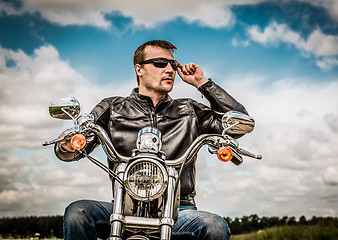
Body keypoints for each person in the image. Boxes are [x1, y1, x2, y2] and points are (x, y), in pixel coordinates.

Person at [55, 40, 248, 240]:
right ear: (139, 69)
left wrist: (202, 83)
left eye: (173, 65)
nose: (169, 69)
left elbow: (237, 122)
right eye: (159, 63)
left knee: (214, 226)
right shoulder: (113, 108)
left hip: (179, 209)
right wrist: (68, 143)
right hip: (124, 206)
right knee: (78, 213)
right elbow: (73, 148)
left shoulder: (190, 110)